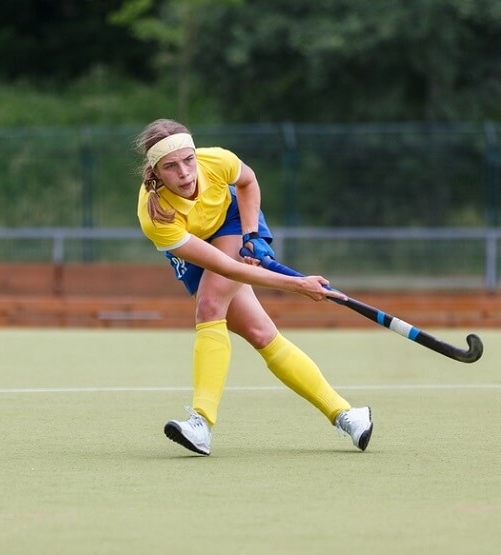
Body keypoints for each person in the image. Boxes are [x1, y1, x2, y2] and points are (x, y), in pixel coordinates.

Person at [134, 118, 373, 456]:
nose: (185, 173)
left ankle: (201, 422)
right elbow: (229, 268)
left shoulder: (217, 160)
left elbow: (247, 182)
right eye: (172, 167)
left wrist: (251, 235)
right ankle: (347, 414)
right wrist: (297, 284)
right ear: (156, 171)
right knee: (262, 334)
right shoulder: (155, 215)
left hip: (231, 221)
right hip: (195, 244)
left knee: (210, 305)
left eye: (189, 160)